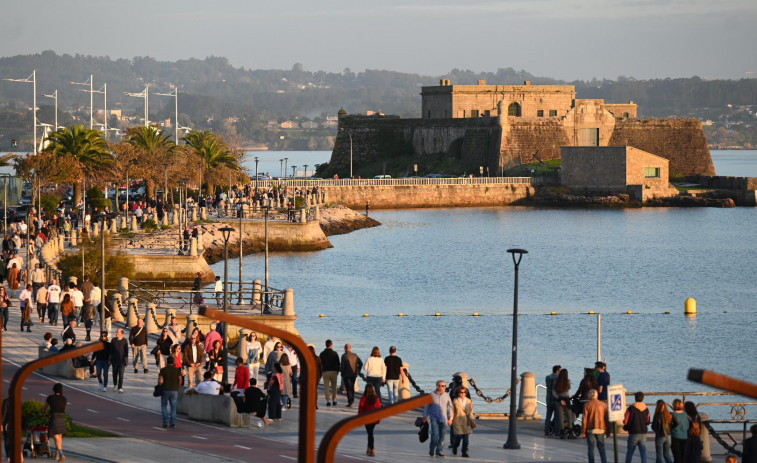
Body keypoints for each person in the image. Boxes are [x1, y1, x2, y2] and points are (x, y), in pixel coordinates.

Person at [423, 380, 454, 458]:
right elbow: (427, 407)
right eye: (442, 386)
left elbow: (450, 407)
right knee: (435, 434)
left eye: (445, 386)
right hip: (434, 418)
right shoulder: (431, 395)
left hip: (444, 419)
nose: (444, 387)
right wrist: (424, 416)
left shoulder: (447, 395)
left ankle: (439, 451)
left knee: (442, 436)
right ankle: (432, 448)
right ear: (438, 386)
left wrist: (450, 418)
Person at [583, 389, 610, 463]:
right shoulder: (603, 405)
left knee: (591, 448)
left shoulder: (587, 405)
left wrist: (584, 432)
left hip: (590, 429)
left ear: (589, 395)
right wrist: (608, 431)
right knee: (601, 448)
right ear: (597, 395)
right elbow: (606, 419)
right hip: (601, 428)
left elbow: (585, 420)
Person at [624, 391, 650, 463]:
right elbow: (648, 421)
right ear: (643, 398)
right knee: (643, 453)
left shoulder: (630, 409)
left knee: (630, 452)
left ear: (635, 398)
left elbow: (626, 421)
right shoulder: (646, 409)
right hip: (643, 432)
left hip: (633, 433)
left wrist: (625, 427)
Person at [44, 383, 67, 462]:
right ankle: (57, 455)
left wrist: (43, 413)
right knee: (60, 437)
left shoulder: (50, 398)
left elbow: (45, 407)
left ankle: (61, 454)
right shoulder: (64, 398)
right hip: (62, 417)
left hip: (55, 417)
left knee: (56, 437)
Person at [158, 356, 183, 428]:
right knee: (173, 407)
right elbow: (180, 380)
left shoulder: (163, 370)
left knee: (164, 406)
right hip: (174, 390)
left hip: (165, 389)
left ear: (167, 362)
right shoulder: (177, 370)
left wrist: (160, 385)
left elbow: (160, 380)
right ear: (174, 362)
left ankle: (165, 421)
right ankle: (172, 423)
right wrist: (178, 387)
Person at [358, 383, 382, 457]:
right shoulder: (376, 398)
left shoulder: (364, 398)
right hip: (374, 418)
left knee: (370, 434)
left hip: (367, 418)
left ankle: (372, 449)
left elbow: (361, 408)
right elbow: (379, 408)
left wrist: (360, 418)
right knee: (370, 433)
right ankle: (368, 448)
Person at [450, 386, 475, 458]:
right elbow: (453, 411)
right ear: (458, 393)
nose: (463, 394)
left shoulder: (469, 401)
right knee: (459, 436)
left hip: (467, 420)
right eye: (461, 392)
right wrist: (451, 419)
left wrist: (472, 418)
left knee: (466, 438)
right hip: (458, 420)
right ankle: (455, 446)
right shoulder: (455, 401)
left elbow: (471, 411)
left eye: (464, 392)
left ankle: (464, 452)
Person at [554, 368, 576, 438]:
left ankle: (562, 431)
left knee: (561, 416)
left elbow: (553, 392)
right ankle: (570, 431)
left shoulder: (556, 381)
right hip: (566, 400)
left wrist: (558, 398)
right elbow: (569, 389)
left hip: (559, 400)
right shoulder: (568, 381)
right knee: (569, 416)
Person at [340, 343, 363, 408]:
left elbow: (342, 366)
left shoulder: (344, 356)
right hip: (354, 374)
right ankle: (352, 400)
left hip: (346, 375)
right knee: (352, 387)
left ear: (345, 349)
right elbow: (361, 363)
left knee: (348, 388)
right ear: (350, 348)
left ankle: (350, 402)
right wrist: (358, 370)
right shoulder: (355, 355)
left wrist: (342, 374)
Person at [319, 340, 340, 406]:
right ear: (331, 345)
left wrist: (321, 371)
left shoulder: (322, 353)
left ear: (326, 345)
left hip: (325, 372)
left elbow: (320, 364)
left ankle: (328, 401)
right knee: (334, 387)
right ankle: (334, 400)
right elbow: (338, 363)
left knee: (326, 387)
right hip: (334, 372)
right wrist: (337, 371)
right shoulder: (335, 353)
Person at [670, 399, 689, 463]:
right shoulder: (686, 414)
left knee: (677, 457)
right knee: (683, 457)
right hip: (684, 436)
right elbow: (687, 426)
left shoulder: (672, 415)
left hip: (675, 436)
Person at [110, 328, 129, 392]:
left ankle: (120, 387)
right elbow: (111, 351)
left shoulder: (125, 341)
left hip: (122, 360)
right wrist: (109, 360)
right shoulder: (113, 340)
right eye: (116, 332)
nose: (116, 333)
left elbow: (126, 351)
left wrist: (127, 360)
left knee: (121, 374)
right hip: (114, 360)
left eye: (117, 332)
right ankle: (115, 385)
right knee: (114, 373)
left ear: (121, 333)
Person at [545, 365, 562, 436]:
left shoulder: (547, 378)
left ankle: (546, 432)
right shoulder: (559, 379)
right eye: (560, 370)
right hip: (556, 400)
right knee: (557, 417)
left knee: (548, 416)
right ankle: (556, 432)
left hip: (548, 399)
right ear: (557, 371)